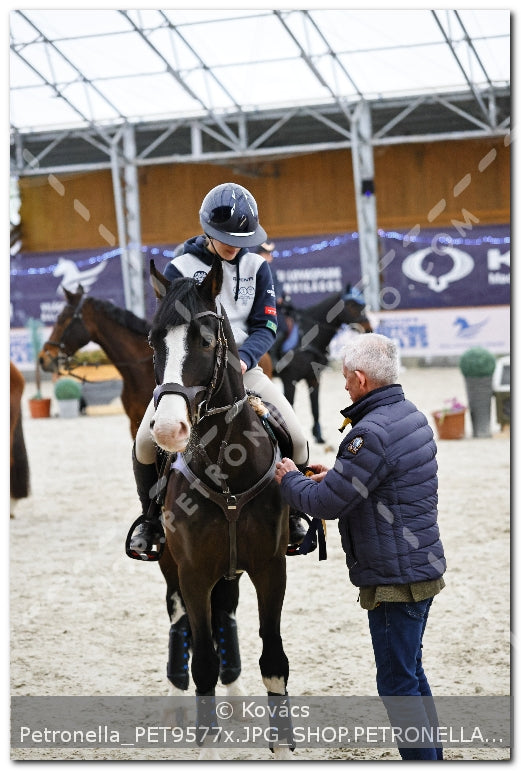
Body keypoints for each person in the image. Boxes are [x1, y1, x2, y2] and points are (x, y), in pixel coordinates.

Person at [274, 333, 446, 760]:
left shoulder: (367, 433)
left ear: (363, 379)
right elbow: (378, 480)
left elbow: (326, 504)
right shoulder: (410, 415)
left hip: (394, 580)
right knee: (411, 674)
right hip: (420, 568)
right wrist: (336, 475)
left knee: (397, 685)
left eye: (347, 377)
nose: (345, 385)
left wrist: (290, 480)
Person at [128, 182, 309, 559]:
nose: (234, 246)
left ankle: (294, 515)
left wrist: (244, 359)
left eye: (242, 240)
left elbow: (267, 325)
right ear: (208, 231)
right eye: (226, 238)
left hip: (244, 369)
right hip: (191, 373)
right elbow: (171, 328)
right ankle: (150, 520)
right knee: (145, 443)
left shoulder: (258, 267)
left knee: (297, 437)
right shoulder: (180, 267)